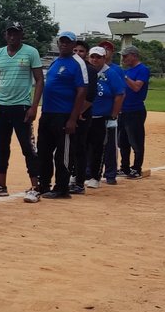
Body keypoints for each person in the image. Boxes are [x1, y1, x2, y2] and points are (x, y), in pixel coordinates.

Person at [0, 21, 44, 202]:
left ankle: (35, 186)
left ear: (21, 35)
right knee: (2, 147)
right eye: (9, 33)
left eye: (16, 33)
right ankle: (1, 184)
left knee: (27, 147)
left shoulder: (31, 52)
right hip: (1, 106)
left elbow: (39, 80)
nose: (12, 36)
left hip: (21, 107)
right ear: (5, 35)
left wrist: (34, 106)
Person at [35, 32, 87, 199]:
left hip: (64, 114)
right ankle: (44, 184)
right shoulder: (56, 61)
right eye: (61, 41)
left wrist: (73, 118)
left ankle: (62, 188)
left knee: (63, 153)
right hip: (48, 112)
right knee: (43, 151)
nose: (64, 44)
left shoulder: (77, 63)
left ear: (73, 45)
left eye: (68, 42)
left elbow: (81, 91)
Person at [82, 45, 125, 190]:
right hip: (86, 115)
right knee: (84, 146)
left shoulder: (110, 73)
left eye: (98, 57)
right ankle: (85, 173)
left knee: (102, 147)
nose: (95, 60)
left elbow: (120, 94)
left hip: (103, 116)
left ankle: (102, 175)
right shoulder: (86, 71)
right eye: (92, 57)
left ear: (104, 58)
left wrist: (114, 114)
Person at [65, 37, 96, 195]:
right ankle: (71, 177)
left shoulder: (89, 69)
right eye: (75, 50)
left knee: (79, 148)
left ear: (86, 53)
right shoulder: (72, 67)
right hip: (70, 113)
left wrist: (78, 113)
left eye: (81, 51)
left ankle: (79, 182)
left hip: (81, 115)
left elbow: (90, 96)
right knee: (68, 148)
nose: (77, 53)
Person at [118, 45, 150, 179]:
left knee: (135, 140)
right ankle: (124, 167)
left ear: (134, 55)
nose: (123, 58)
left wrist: (124, 77)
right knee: (123, 141)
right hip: (123, 110)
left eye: (126, 56)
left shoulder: (142, 69)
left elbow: (137, 87)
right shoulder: (129, 70)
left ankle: (136, 168)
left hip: (135, 110)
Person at [97, 41, 125, 185]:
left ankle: (110, 174)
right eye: (103, 48)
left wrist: (115, 113)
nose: (105, 51)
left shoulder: (116, 70)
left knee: (110, 145)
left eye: (108, 49)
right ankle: (93, 172)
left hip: (109, 114)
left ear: (112, 53)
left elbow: (120, 93)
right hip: (94, 114)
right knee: (94, 145)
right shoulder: (91, 68)